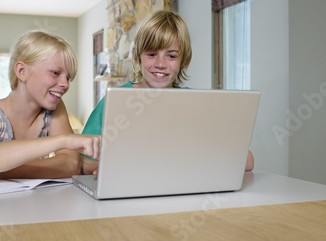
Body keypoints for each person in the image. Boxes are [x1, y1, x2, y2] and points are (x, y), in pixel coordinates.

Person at [82, 10, 254, 171]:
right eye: (151, 54)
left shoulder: (197, 104)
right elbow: (83, 163)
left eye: (171, 56)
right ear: (137, 56)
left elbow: (247, 161)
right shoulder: (114, 102)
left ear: (184, 61)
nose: (161, 64)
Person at [0, 30, 100, 183]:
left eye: (68, 77)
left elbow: (70, 164)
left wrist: (0, 172)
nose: (65, 84)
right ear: (22, 71)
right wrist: (64, 140)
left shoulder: (53, 110)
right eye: (55, 72)